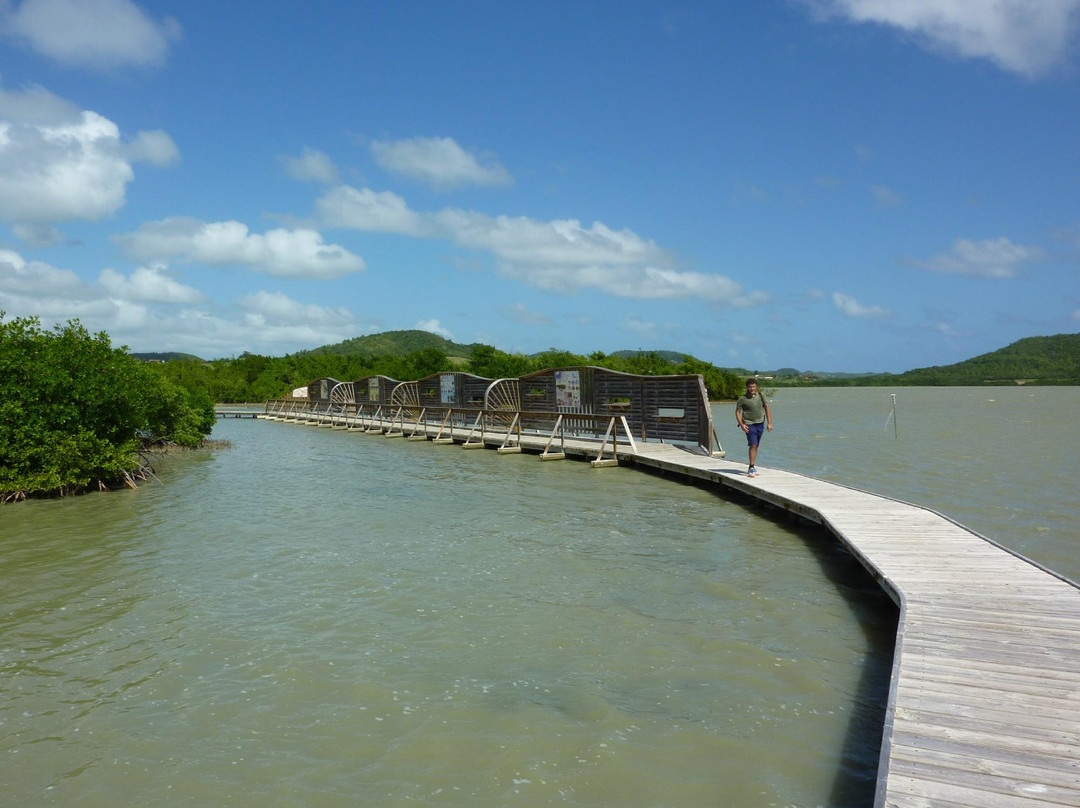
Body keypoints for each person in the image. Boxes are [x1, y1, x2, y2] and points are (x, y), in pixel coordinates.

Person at [735, 377, 772, 478]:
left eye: (754, 386)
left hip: (760, 423)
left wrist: (769, 423)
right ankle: (751, 467)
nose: (752, 388)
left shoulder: (761, 395)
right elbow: (737, 412)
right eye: (750, 387)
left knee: (756, 445)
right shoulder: (742, 399)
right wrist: (742, 425)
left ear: (756, 387)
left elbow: (767, 407)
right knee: (753, 445)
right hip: (749, 424)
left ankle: (752, 466)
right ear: (747, 387)